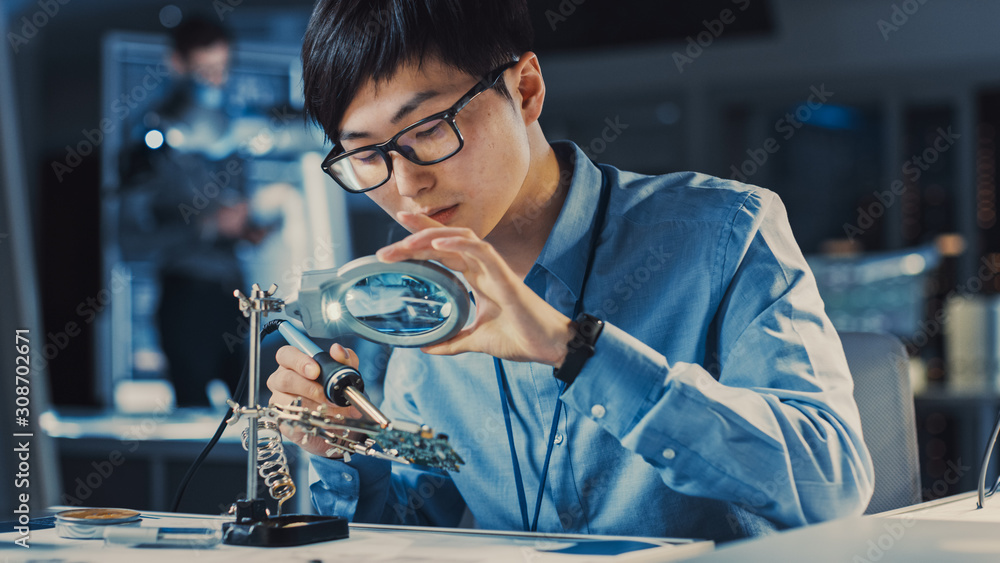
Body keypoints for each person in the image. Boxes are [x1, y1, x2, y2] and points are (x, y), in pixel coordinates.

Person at [267, 0, 874, 542]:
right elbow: (417, 531)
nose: (406, 184)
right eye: (368, 155)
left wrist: (574, 349)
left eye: (429, 129)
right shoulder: (417, 315)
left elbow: (834, 485)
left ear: (526, 89)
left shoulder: (722, 233)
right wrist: (347, 448)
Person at [121, 17, 267, 407]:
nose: (215, 81)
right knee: (194, 424)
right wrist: (204, 227)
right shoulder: (149, 142)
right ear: (178, 64)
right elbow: (128, 238)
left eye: (222, 69)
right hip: (186, 298)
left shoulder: (231, 134)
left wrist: (247, 227)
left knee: (258, 415)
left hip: (235, 297)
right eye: (205, 70)